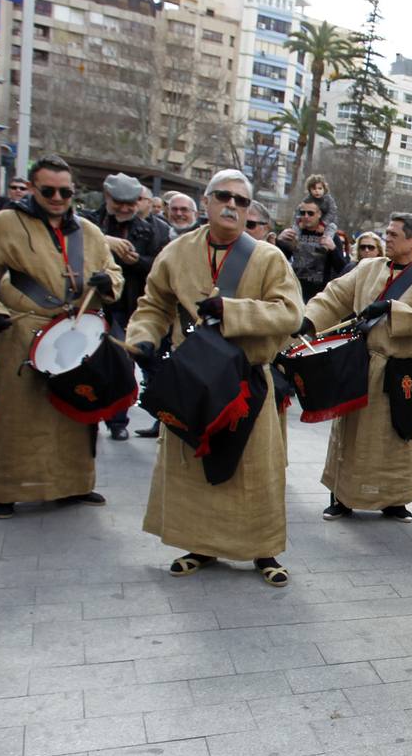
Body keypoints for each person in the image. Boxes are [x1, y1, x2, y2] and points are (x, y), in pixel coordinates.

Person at [126, 170, 303, 587]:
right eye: (223, 196)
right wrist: (143, 339)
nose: (232, 206)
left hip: (246, 379)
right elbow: (153, 304)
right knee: (193, 465)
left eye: (241, 201)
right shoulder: (176, 251)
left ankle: (264, 550)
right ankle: (199, 544)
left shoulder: (267, 257)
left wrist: (233, 311)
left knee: (255, 470)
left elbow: (290, 313)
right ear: (205, 201)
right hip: (193, 376)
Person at [0, 155, 123, 518]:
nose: (57, 197)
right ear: (32, 188)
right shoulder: (6, 223)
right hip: (20, 331)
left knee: (74, 415)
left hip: (72, 335)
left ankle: (74, 484)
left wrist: (107, 282)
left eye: (65, 191)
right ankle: (3, 490)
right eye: (48, 190)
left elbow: (112, 271)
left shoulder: (88, 231)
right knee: (17, 416)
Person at [294, 213, 412, 523]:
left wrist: (391, 307)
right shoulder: (366, 268)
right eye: (386, 232)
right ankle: (342, 496)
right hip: (362, 363)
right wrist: (309, 319)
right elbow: (334, 296)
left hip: (402, 368)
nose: (386, 238)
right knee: (352, 433)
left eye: (393, 234)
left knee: (398, 438)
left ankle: (395, 499)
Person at [85, 173, 171, 440]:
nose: (124, 208)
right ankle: (89, 414)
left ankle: (124, 419)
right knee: (88, 363)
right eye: (119, 202)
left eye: (130, 203)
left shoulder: (155, 229)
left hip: (133, 306)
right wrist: (103, 241)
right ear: (107, 198)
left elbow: (159, 269)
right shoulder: (88, 224)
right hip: (92, 305)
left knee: (132, 361)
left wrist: (136, 261)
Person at [277, 197, 350, 302]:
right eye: (303, 213)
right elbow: (281, 260)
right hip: (294, 292)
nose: (306, 216)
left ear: (319, 214)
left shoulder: (330, 236)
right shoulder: (294, 233)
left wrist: (333, 249)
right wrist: (279, 241)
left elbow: (342, 269)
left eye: (310, 213)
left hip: (319, 296)